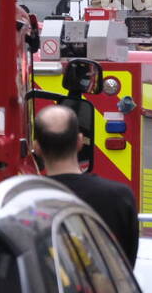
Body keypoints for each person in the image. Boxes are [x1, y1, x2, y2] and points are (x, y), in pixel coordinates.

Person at [34, 104, 138, 265]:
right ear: (80, 141)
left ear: (36, 148)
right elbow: (126, 265)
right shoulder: (118, 197)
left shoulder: (25, 199)